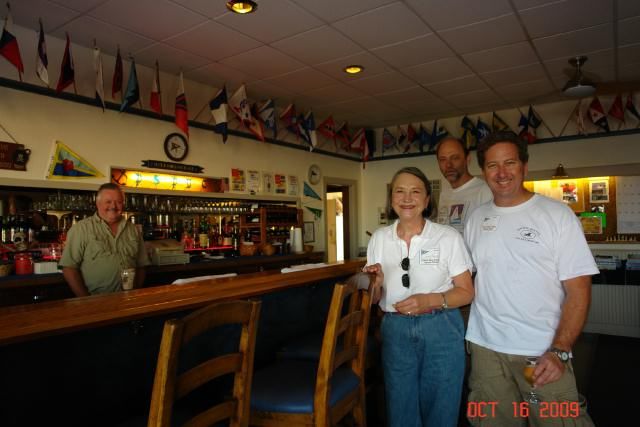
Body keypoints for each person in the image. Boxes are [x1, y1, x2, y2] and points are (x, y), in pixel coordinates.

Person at [464, 131, 598, 426]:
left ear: (524, 166)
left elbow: (579, 291)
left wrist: (560, 352)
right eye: (492, 166)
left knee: (560, 422)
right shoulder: (476, 219)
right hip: (487, 350)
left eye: (509, 163)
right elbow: (465, 280)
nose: (501, 173)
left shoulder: (557, 215)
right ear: (484, 171)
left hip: (539, 354)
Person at [364, 166, 474, 427]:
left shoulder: (448, 237)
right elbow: (371, 298)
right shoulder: (379, 239)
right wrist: (375, 285)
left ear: (427, 200)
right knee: (400, 405)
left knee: (441, 404)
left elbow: (467, 292)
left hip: (441, 327)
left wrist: (430, 300)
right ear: (391, 200)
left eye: (415, 192)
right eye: (399, 192)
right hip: (395, 329)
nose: (407, 198)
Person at [60, 183, 150, 296]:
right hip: (96, 301)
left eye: (118, 202)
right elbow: (69, 268)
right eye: (108, 202)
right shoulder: (81, 229)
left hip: (128, 300)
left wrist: (135, 291)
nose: (113, 206)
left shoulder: (133, 229)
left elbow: (141, 265)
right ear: (97, 204)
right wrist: (85, 300)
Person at [436, 137, 492, 236]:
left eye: (455, 158)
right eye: (442, 159)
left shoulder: (484, 191)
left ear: (467, 159)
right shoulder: (444, 194)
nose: (448, 165)